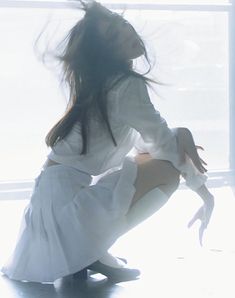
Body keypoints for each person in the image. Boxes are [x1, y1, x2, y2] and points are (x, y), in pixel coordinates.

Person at [1, 1, 214, 284]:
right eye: (114, 35)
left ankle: (89, 250)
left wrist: (180, 133)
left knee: (159, 160)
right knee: (168, 171)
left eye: (121, 23)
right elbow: (163, 146)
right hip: (66, 210)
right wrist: (206, 196)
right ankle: (91, 250)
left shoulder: (103, 85)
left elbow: (147, 143)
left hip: (51, 207)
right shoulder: (125, 84)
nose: (126, 31)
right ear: (106, 53)